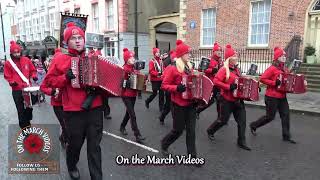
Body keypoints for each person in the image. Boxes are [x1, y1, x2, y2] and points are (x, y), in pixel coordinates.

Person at [45, 22, 104, 180]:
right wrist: (65, 78)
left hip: (95, 107)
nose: (78, 41)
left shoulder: (94, 57)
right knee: (75, 144)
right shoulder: (60, 59)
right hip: (74, 110)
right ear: (67, 42)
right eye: (73, 38)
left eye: (80, 38)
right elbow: (48, 82)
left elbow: (105, 80)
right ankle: (71, 164)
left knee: (94, 147)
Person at [161, 40, 201, 164]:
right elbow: (164, 85)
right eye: (187, 53)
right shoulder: (172, 68)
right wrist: (177, 88)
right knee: (178, 130)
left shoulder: (189, 66)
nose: (189, 55)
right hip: (178, 104)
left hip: (191, 104)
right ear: (181, 55)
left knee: (191, 131)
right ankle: (164, 143)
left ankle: (192, 157)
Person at [208, 45, 251, 151]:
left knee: (242, 121)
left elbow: (240, 81)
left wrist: (252, 87)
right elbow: (216, 81)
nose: (237, 58)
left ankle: (241, 141)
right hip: (226, 100)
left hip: (238, 100)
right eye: (234, 57)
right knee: (223, 120)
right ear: (229, 59)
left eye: (237, 57)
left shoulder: (237, 69)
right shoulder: (223, 69)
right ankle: (210, 130)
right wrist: (228, 87)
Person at [249, 47, 296, 144]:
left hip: (282, 96)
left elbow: (286, 78)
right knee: (270, 117)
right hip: (272, 97)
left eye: (284, 55)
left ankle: (286, 136)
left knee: (286, 115)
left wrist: (292, 74)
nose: (284, 57)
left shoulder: (283, 68)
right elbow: (262, 79)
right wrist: (274, 82)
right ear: (277, 57)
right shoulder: (272, 68)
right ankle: (254, 125)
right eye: (282, 56)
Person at [4, 41, 37, 130]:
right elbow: (7, 75)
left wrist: (34, 76)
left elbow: (33, 70)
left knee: (29, 107)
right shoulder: (8, 63)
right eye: (14, 53)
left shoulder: (26, 60)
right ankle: (24, 127)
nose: (17, 54)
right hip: (17, 90)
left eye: (18, 52)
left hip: (27, 89)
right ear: (11, 53)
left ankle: (27, 122)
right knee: (20, 109)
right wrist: (11, 82)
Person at [40, 48, 67, 148]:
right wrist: (52, 91)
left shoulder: (67, 71)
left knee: (69, 126)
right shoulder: (51, 74)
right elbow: (42, 87)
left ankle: (64, 137)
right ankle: (64, 139)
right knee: (65, 125)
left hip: (68, 103)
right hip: (57, 104)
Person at [120, 48, 146, 143]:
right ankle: (137, 134)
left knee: (128, 113)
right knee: (133, 115)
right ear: (126, 59)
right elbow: (121, 83)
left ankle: (122, 126)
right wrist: (126, 83)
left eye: (133, 57)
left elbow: (139, 78)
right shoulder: (124, 69)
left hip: (133, 94)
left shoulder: (134, 68)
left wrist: (143, 80)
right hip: (126, 95)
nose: (133, 59)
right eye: (131, 58)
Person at [196, 42, 223, 120]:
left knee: (219, 100)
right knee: (209, 101)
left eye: (220, 51)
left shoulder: (220, 61)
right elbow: (201, 69)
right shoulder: (209, 60)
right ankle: (197, 110)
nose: (219, 52)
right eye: (218, 51)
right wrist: (212, 70)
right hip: (211, 83)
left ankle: (220, 117)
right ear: (213, 52)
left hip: (218, 83)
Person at [159, 50, 177, 125]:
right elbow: (163, 77)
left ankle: (162, 117)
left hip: (175, 90)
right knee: (170, 107)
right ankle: (176, 123)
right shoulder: (170, 67)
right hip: (169, 90)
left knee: (169, 107)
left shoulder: (180, 67)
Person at [145, 48, 165, 112]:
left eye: (159, 52)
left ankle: (161, 108)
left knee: (161, 94)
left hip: (161, 79)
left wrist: (164, 73)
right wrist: (158, 74)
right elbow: (151, 71)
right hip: (155, 80)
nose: (158, 53)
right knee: (154, 93)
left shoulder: (161, 61)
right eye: (157, 52)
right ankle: (147, 101)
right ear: (154, 53)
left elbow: (163, 68)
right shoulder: (152, 61)